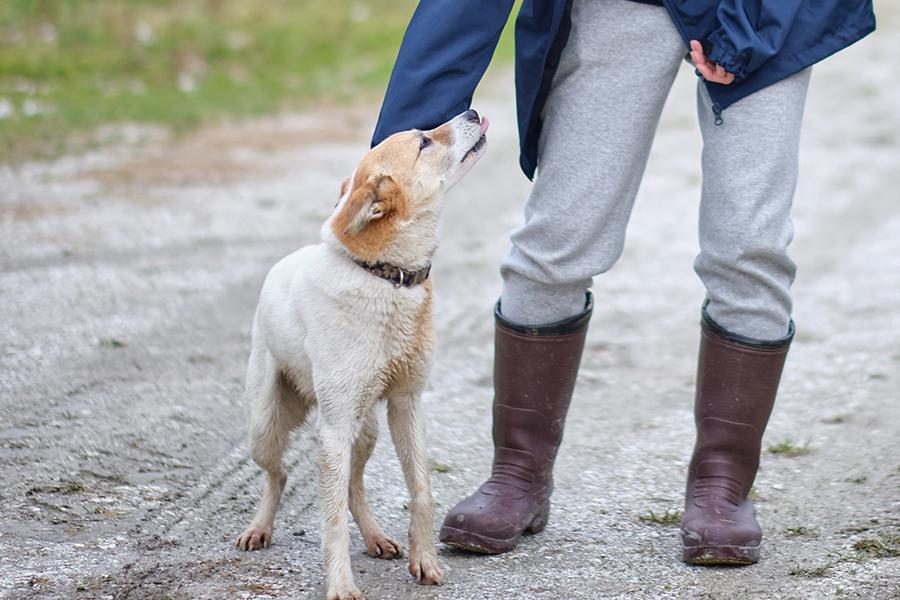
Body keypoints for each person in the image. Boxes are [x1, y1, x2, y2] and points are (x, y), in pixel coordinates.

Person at [371, 0, 875, 565]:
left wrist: (749, 32)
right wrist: (398, 148)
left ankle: (722, 482)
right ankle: (518, 473)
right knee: (558, 239)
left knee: (749, 245)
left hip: (768, 10)